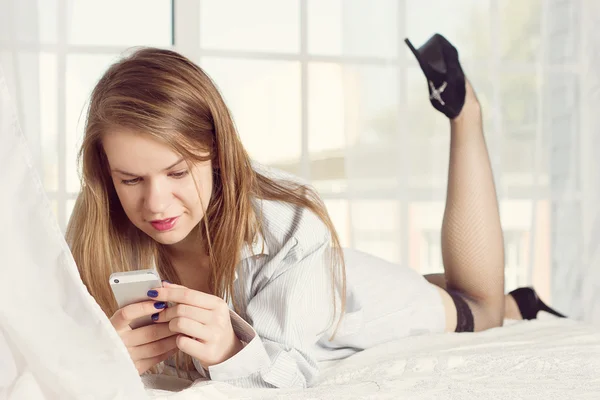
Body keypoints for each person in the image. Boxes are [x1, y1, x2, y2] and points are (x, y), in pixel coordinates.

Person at [66, 38, 565, 389]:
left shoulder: (289, 223)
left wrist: (230, 353)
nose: (154, 204)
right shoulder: (93, 225)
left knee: (480, 308)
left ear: (217, 152)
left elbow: (287, 374)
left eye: (177, 173)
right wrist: (100, 356)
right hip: (323, 286)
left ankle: (465, 112)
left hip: (362, 299)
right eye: (131, 179)